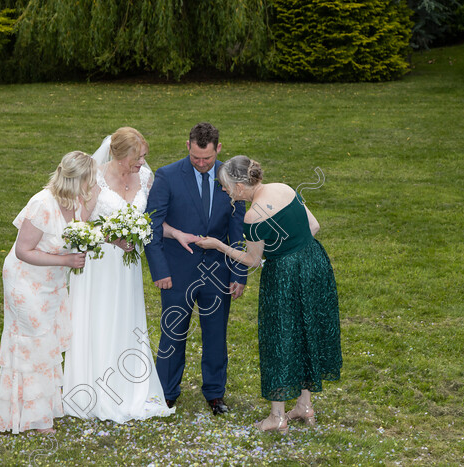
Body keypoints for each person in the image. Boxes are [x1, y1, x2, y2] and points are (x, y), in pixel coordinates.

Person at [195, 155, 342, 432]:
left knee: (281, 338)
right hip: (314, 264)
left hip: (285, 277)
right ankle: (305, 406)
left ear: (240, 187)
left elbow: (252, 260)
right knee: (306, 332)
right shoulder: (286, 189)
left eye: (226, 187)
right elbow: (314, 227)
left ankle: (277, 417)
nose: (225, 192)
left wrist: (218, 245)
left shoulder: (253, 216)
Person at [62, 127, 175, 423]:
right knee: (98, 319)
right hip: (98, 267)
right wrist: (111, 237)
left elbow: (153, 222)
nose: (142, 163)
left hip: (128, 268)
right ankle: (93, 389)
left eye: (143, 157)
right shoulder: (95, 177)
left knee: (125, 319)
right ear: (120, 155)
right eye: (137, 158)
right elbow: (77, 227)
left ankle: (128, 388)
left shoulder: (146, 179)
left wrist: (178, 234)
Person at [144, 122, 247, 415]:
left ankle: (215, 394)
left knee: (216, 334)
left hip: (218, 272)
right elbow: (152, 225)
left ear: (219, 149)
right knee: (172, 333)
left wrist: (239, 273)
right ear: (188, 146)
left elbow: (237, 228)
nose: (202, 164)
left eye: (208, 159)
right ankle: (166, 392)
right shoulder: (167, 176)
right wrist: (159, 270)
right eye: (196, 157)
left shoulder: (233, 177)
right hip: (176, 270)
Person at [0, 151, 96, 434]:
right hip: (25, 282)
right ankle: (33, 419)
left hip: (52, 284)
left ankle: (43, 408)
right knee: (33, 344)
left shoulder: (76, 202)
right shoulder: (41, 203)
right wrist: (66, 260)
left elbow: (82, 232)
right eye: (90, 179)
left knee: (46, 344)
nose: (93, 184)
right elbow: (22, 251)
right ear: (77, 180)